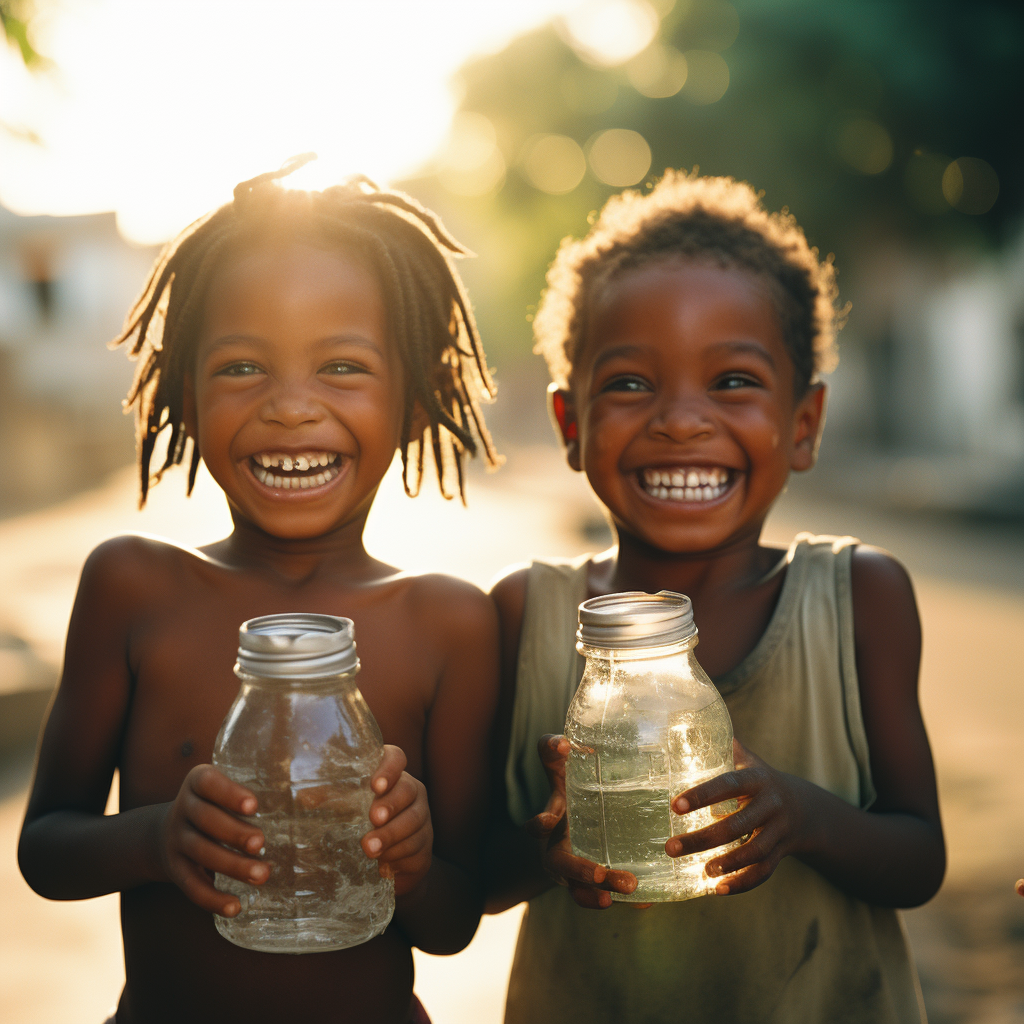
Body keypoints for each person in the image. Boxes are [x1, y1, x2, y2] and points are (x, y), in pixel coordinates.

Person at [18, 156, 501, 1024]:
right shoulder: (134, 587)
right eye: (243, 368)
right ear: (184, 395)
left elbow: (455, 921)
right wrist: (157, 836)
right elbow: (46, 850)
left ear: (418, 399)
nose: (290, 407)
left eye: (343, 368)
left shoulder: (449, 622)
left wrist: (416, 864)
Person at [487, 170, 945, 1023]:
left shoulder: (858, 597)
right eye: (630, 384)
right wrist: (546, 847)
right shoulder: (526, 614)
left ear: (802, 424)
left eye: (732, 381)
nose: (681, 420)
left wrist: (801, 815)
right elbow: (471, 874)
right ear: (569, 425)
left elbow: (920, 860)